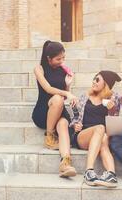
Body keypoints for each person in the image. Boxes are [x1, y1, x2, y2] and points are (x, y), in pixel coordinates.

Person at [32, 40, 77, 177]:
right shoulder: (39, 69)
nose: (62, 61)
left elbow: (63, 97)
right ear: (48, 58)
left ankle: (65, 163)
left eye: (63, 58)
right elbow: (48, 89)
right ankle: (49, 136)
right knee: (57, 98)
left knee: (63, 124)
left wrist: (68, 85)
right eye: (58, 59)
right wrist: (67, 93)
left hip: (58, 108)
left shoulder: (63, 70)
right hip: (43, 111)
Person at [70, 70, 121, 188]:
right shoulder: (86, 96)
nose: (94, 81)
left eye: (98, 80)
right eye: (94, 78)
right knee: (100, 128)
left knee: (103, 137)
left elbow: (115, 119)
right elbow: (76, 117)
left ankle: (111, 175)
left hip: (102, 136)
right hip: (83, 135)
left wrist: (112, 109)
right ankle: (88, 171)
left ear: (106, 84)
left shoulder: (113, 98)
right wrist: (75, 124)